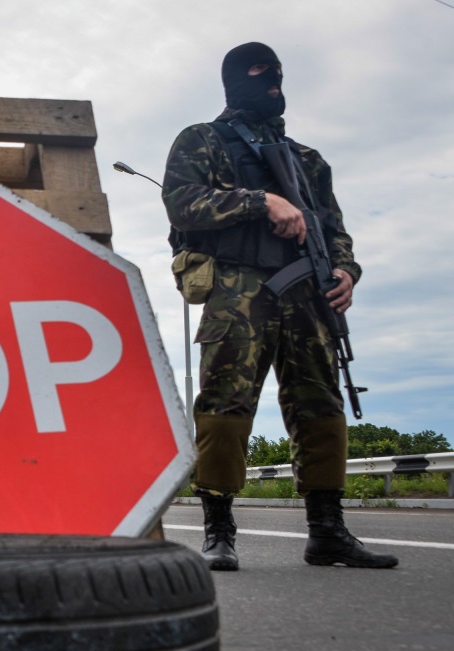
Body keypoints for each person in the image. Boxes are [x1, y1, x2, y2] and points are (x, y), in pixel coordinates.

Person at [161, 42, 397, 571]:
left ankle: (328, 531)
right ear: (234, 80)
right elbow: (182, 203)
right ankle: (218, 530)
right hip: (238, 288)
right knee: (225, 402)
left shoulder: (308, 160)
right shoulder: (203, 139)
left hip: (308, 292)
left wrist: (345, 271)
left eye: (279, 74)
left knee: (320, 403)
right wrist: (260, 200)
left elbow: (333, 228)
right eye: (259, 71)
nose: (273, 81)